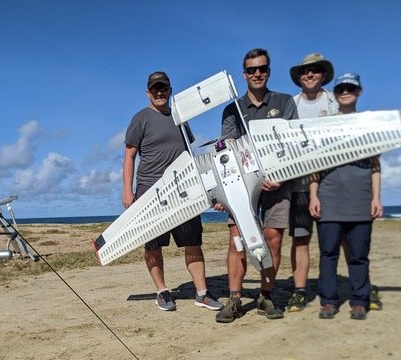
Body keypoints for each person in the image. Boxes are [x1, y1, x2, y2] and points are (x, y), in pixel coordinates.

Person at [123, 71, 223, 312]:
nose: (159, 92)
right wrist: (128, 191)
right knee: (153, 244)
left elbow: (190, 152)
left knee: (192, 241)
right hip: (150, 189)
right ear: (148, 92)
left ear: (169, 90)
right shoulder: (140, 118)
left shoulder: (180, 117)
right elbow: (129, 156)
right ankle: (162, 291)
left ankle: (202, 292)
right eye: (155, 88)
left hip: (183, 187)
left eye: (163, 88)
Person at [215, 48, 298, 323]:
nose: (257, 74)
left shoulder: (284, 102)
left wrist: (282, 176)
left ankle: (265, 295)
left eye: (262, 68)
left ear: (269, 71)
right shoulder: (233, 109)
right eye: (251, 70)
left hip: (278, 182)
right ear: (244, 74)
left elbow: (292, 143)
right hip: (242, 188)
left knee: (273, 239)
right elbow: (226, 150)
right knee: (237, 241)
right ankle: (235, 299)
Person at [309, 72, 384, 320]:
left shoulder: (368, 126)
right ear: (335, 93)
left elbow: (375, 166)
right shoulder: (324, 126)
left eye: (350, 88)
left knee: (358, 256)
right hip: (329, 201)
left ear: (359, 91)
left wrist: (376, 198)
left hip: (361, 202)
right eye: (340, 88)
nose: (345, 92)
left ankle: (359, 301)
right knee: (328, 255)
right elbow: (313, 166)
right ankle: (328, 302)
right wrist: (314, 196)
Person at [286, 53, 338, 312]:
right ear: (298, 77)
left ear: (323, 74)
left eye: (315, 70)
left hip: (332, 184)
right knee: (301, 239)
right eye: (305, 71)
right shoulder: (290, 105)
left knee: (337, 241)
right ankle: (299, 291)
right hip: (300, 186)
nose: (309, 74)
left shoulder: (335, 102)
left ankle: (346, 287)